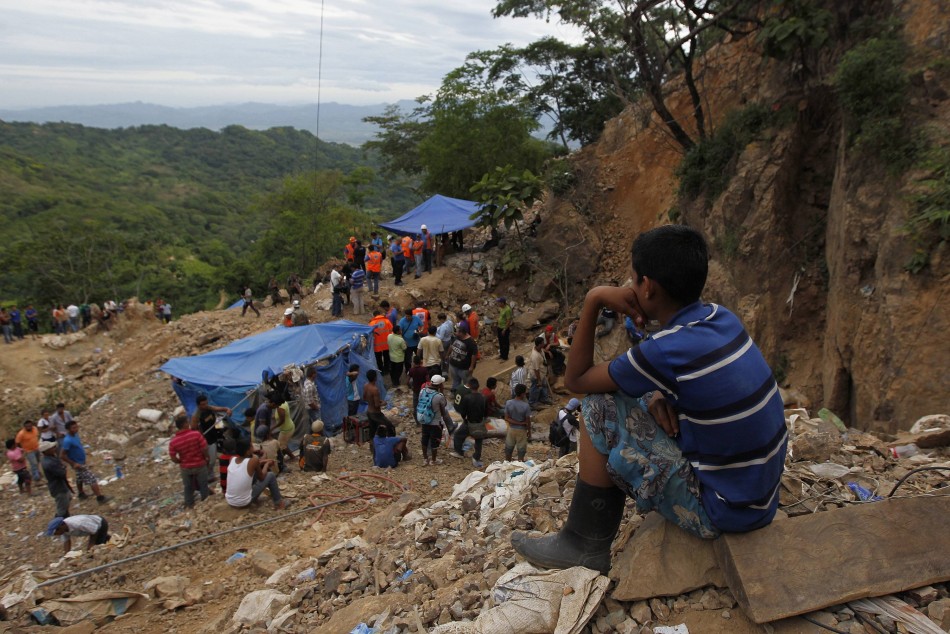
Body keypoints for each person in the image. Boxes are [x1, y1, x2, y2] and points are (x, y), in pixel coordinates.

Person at [511, 225, 788, 576]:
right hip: (760, 496)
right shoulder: (722, 317)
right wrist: (657, 393)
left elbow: (577, 380)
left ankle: (582, 544)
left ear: (647, 287)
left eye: (632, 280)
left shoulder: (664, 351)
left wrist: (594, 298)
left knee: (597, 407)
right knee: (642, 395)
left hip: (724, 511)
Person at [226, 438, 288, 510]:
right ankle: (279, 503)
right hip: (243, 502)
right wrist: (266, 464)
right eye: (251, 447)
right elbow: (261, 477)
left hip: (230, 501)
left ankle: (253, 497)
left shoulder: (232, 459)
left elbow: (250, 464)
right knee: (270, 475)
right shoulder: (253, 460)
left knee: (251, 474)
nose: (253, 448)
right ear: (247, 451)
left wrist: (261, 459)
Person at [60, 421, 109, 504]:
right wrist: (73, 463)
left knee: (79, 478)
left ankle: (81, 493)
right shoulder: (67, 440)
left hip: (81, 461)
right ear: (68, 429)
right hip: (78, 463)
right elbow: (62, 455)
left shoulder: (75, 435)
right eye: (73, 428)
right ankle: (100, 498)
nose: (76, 429)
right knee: (92, 479)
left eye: (76, 427)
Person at [169, 413, 210, 508]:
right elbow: (204, 448)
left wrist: (180, 461)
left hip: (186, 467)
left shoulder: (174, 441)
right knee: (203, 485)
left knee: (187, 487)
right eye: (187, 422)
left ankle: (189, 504)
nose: (189, 423)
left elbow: (173, 457)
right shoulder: (196, 434)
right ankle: (206, 504)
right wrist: (207, 457)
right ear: (184, 424)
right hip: (200, 464)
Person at [191, 394, 231, 486]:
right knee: (210, 459)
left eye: (206, 403)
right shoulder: (196, 415)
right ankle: (205, 477)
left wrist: (226, 409)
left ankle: (210, 475)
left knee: (212, 459)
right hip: (205, 439)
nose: (205, 405)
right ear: (198, 405)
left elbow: (218, 409)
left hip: (213, 436)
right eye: (203, 404)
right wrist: (200, 439)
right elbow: (193, 429)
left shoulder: (208, 408)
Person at [416, 375, 454, 466]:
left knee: (424, 439)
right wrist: (442, 391)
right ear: (440, 385)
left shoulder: (422, 391)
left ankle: (425, 459)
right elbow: (443, 406)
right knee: (435, 441)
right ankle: (433, 460)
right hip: (435, 423)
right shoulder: (439, 396)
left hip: (424, 420)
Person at [450, 377, 487, 468]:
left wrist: (465, 419)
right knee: (478, 440)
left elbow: (463, 412)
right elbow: (485, 411)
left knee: (458, 436)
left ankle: (459, 452)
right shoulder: (483, 398)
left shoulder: (467, 398)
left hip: (469, 422)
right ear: (478, 387)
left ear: (469, 386)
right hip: (479, 422)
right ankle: (476, 457)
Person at [363, 369, 395, 449]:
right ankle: (391, 445)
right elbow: (377, 405)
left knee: (373, 430)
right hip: (376, 414)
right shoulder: (375, 389)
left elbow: (365, 398)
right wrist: (384, 403)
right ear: (375, 378)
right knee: (390, 427)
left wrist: (374, 400)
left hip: (369, 412)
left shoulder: (366, 386)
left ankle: (372, 447)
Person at [40, 440, 72, 518]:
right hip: (58, 487)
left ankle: (65, 518)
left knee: (67, 500)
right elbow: (61, 473)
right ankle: (58, 525)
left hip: (58, 486)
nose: (54, 448)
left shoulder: (49, 459)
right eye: (52, 448)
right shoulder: (50, 463)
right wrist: (63, 467)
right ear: (46, 451)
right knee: (61, 509)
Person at [446, 321, 478, 392]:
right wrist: (447, 355)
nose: (455, 333)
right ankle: (455, 394)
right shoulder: (456, 337)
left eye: (457, 332)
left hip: (464, 368)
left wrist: (471, 366)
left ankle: (466, 396)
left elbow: (474, 354)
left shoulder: (471, 342)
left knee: (467, 383)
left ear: (461, 333)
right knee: (455, 381)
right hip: (453, 364)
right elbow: (452, 346)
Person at [504, 384, 532, 462]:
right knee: (521, 452)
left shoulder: (508, 403)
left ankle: (507, 465)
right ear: (523, 394)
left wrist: (517, 423)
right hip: (521, 431)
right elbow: (528, 422)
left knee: (508, 450)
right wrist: (529, 432)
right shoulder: (526, 406)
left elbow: (506, 418)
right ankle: (519, 467)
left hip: (511, 429)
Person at [527, 336, 553, 408]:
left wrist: (548, 351)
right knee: (536, 388)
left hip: (542, 373)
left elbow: (543, 350)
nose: (544, 344)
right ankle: (532, 402)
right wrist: (539, 380)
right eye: (542, 343)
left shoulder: (539, 349)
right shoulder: (535, 356)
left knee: (544, 386)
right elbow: (536, 369)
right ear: (539, 344)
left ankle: (544, 398)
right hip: (536, 375)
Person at [271, 397, 297, 467]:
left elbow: (282, 420)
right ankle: (288, 456)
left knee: (281, 445)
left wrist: (273, 428)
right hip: (288, 426)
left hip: (286, 429)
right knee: (282, 444)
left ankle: (293, 457)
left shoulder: (280, 408)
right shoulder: (284, 403)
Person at [397, 309, 423, 375]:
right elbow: (399, 331)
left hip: (416, 343)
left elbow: (421, 325)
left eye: (409, 316)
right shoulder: (402, 321)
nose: (407, 318)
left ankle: (420, 370)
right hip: (407, 344)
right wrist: (403, 340)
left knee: (419, 357)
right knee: (407, 360)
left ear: (412, 315)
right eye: (406, 316)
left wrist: (419, 331)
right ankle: (408, 372)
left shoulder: (416, 318)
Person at [407, 355, 429, 423]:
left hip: (415, 390)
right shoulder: (424, 369)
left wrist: (411, 387)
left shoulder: (411, 370)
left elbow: (407, 382)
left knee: (416, 405)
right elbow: (428, 380)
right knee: (425, 404)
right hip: (423, 390)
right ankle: (425, 419)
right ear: (420, 362)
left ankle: (417, 421)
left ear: (413, 362)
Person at [369, 309, 392, 374]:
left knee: (378, 358)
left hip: (377, 345)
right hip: (386, 344)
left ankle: (381, 370)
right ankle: (387, 369)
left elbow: (370, 335)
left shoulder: (372, 323)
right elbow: (391, 331)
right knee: (386, 357)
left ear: (374, 315)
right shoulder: (387, 321)